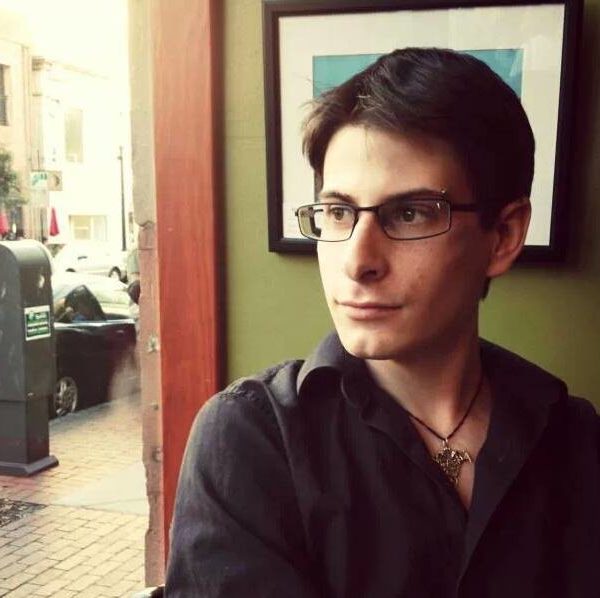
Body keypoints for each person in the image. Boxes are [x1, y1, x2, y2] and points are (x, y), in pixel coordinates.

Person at [165, 48, 600, 597]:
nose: (357, 261)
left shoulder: (573, 439)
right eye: (338, 212)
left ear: (504, 236)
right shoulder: (252, 439)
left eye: (410, 213)